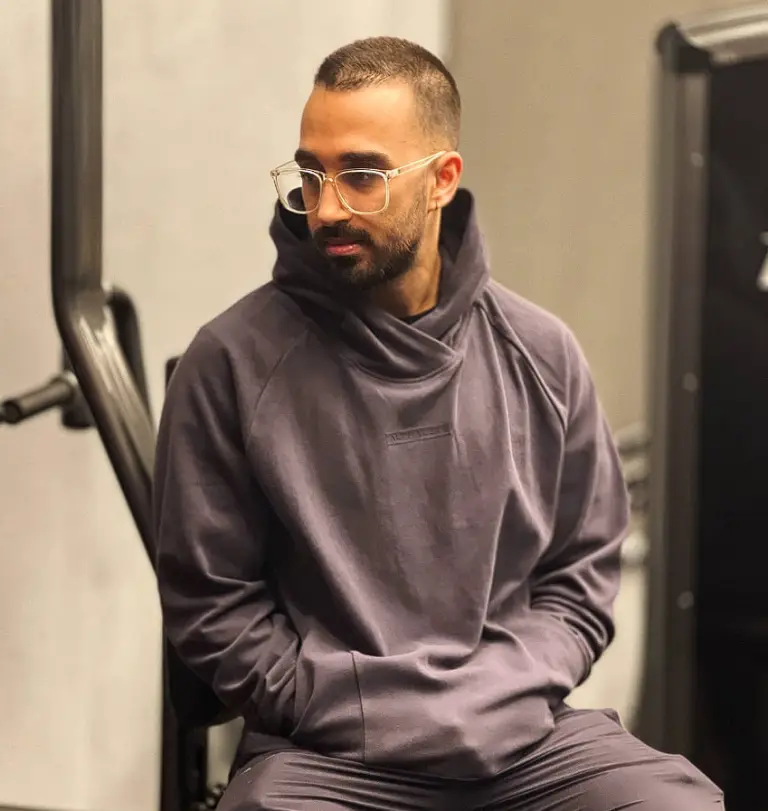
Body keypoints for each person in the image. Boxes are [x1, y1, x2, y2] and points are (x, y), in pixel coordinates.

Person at [153, 36, 724, 811]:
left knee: (673, 801)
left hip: (517, 741)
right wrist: (340, 702)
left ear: (442, 180)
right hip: (327, 751)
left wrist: (504, 692)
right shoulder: (229, 363)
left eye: (361, 175)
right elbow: (214, 606)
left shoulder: (542, 352)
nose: (327, 207)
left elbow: (581, 572)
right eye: (311, 175)